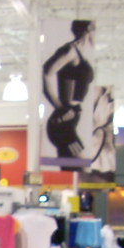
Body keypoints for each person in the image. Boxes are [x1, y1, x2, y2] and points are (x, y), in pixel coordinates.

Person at [42, 20, 96, 162]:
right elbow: (45, 72)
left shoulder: (83, 53)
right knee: (82, 163)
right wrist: (59, 107)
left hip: (71, 119)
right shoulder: (70, 51)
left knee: (70, 164)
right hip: (62, 122)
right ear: (89, 29)